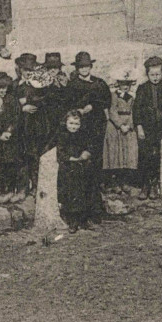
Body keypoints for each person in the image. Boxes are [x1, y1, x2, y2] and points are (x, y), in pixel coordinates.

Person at [63, 52, 111, 222]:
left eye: (87, 66)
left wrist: (93, 106)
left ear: (91, 67)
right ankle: (80, 211)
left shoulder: (99, 83)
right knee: (80, 168)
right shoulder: (72, 85)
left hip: (96, 129)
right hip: (80, 130)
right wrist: (80, 110)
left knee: (94, 168)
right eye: (81, 67)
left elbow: (107, 102)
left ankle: (95, 209)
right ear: (77, 68)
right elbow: (68, 105)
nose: (84, 69)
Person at [132, 55, 162, 201]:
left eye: (158, 74)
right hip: (147, 126)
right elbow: (137, 109)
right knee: (146, 155)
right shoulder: (142, 88)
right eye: (152, 75)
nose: (155, 77)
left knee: (158, 155)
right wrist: (139, 127)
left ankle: (155, 185)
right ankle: (145, 185)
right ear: (147, 74)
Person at [12, 52, 49, 194]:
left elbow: (46, 101)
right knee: (21, 156)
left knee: (35, 155)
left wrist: (35, 103)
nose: (28, 73)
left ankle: (36, 185)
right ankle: (22, 187)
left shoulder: (40, 86)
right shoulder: (14, 85)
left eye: (31, 70)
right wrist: (21, 108)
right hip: (20, 126)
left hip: (36, 124)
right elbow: (10, 104)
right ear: (20, 69)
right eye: (25, 70)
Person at [57, 110, 94, 233]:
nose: (73, 127)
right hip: (68, 167)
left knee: (87, 187)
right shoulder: (62, 135)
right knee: (72, 190)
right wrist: (70, 158)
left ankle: (84, 218)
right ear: (66, 123)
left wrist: (86, 153)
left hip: (81, 165)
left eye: (76, 124)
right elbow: (60, 152)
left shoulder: (83, 134)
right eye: (71, 123)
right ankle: (73, 219)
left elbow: (89, 146)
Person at [103, 73, 139, 193]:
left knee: (127, 154)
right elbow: (112, 111)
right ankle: (114, 182)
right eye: (123, 84)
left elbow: (134, 112)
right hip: (115, 126)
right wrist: (120, 125)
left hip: (128, 125)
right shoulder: (113, 96)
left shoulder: (133, 97)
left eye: (128, 84)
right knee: (114, 154)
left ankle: (124, 181)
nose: (125, 87)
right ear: (118, 84)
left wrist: (129, 125)